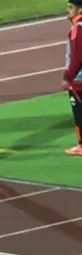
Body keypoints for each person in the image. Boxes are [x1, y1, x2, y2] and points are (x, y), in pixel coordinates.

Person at [64, 0, 82, 156]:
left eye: (71, 7)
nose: (67, 10)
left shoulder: (77, 28)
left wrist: (67, 77)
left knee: (79, 112)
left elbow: (77, 56)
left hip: (79, 79)